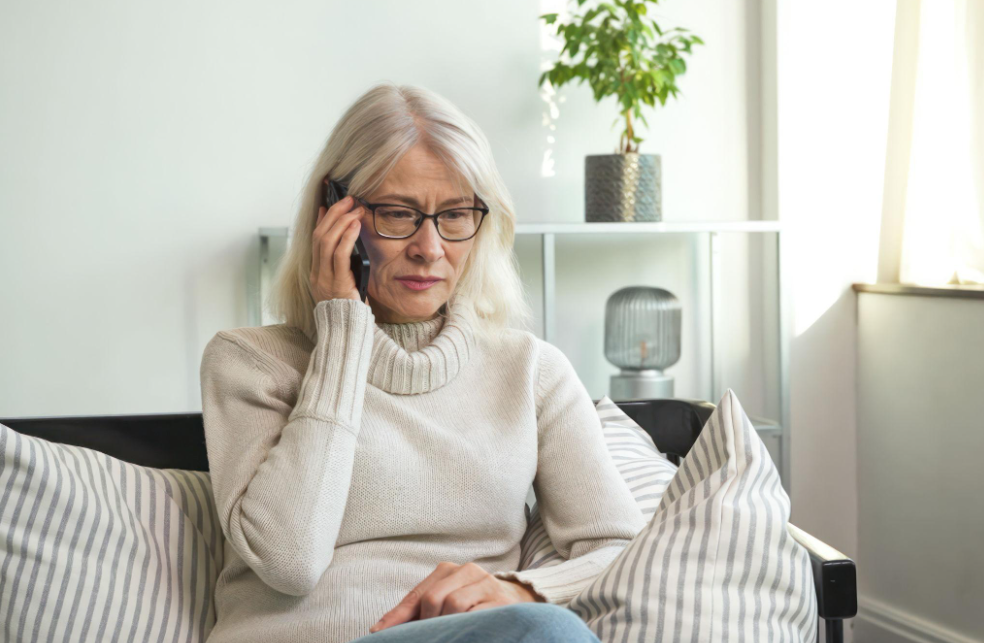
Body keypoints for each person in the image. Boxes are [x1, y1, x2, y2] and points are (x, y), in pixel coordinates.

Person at [199, 82, 645, 643]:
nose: (430, 248)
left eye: (455, 215)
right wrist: (343, 330)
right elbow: (289, 561)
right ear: (333, 217)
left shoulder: (531, 371)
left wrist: (523, 591)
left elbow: (623, 550)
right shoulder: (249, 363)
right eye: (397, 214)